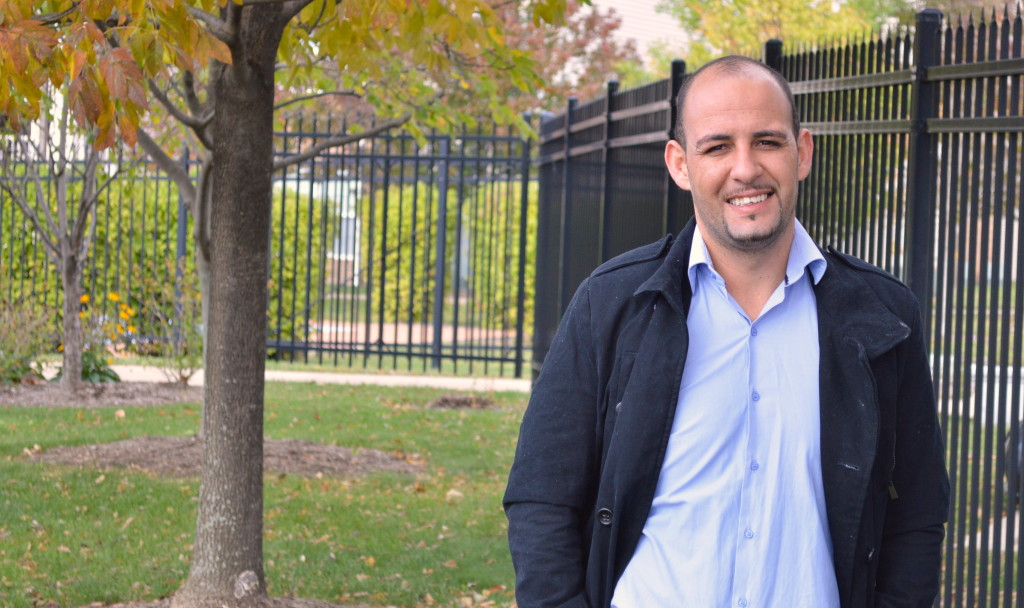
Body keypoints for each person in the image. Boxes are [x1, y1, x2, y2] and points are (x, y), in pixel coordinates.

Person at [503, 55, 950, 608]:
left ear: (801, 152)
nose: (745, 169)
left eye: (767, 141)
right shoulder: (612, 304)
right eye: (717, 147)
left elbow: (918, 512)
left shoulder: (882, 315)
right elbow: (541, 497)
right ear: (680, 163)